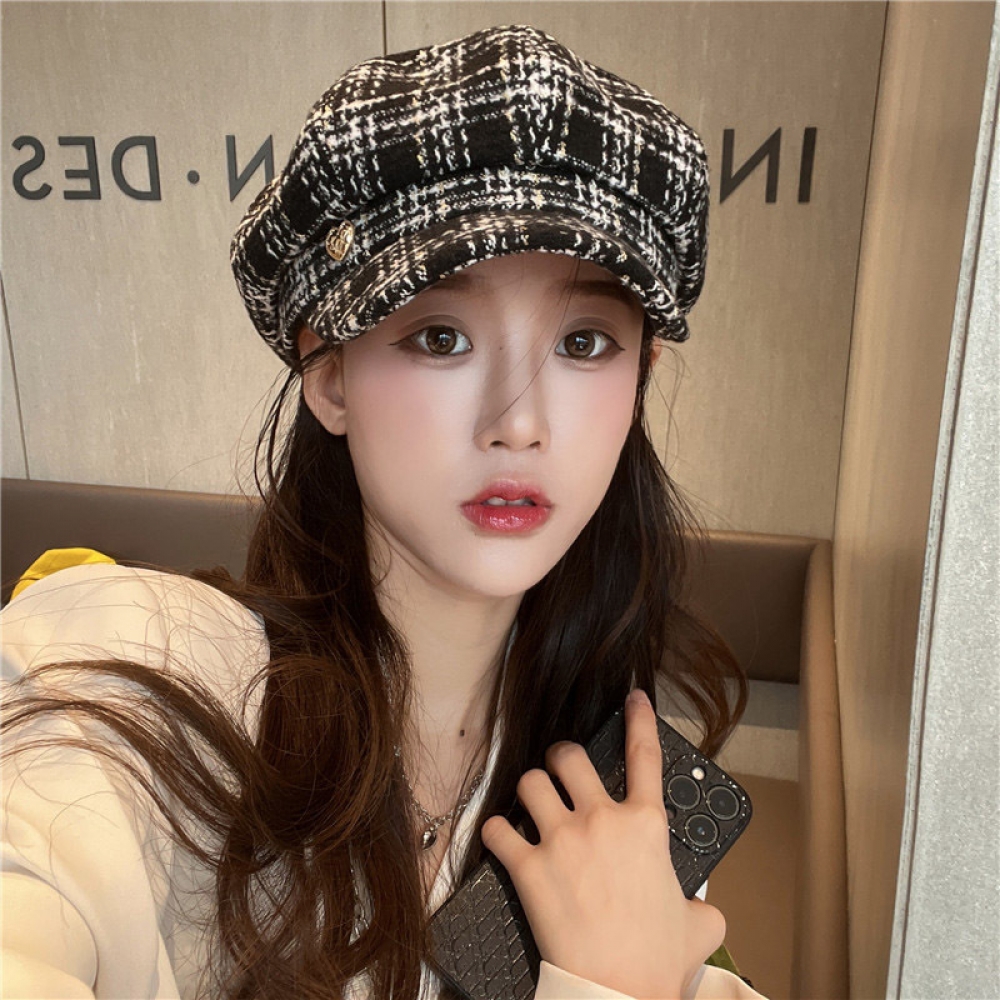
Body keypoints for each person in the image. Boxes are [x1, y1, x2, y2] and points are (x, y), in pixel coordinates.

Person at [1, 24, 765, 1000]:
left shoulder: (612, 800)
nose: (519, 422)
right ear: (329, 376)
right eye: (441, 336)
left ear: (641, 378)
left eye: (584, 342)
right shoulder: (140, 679)